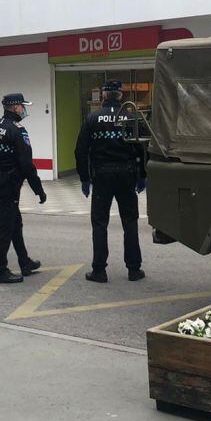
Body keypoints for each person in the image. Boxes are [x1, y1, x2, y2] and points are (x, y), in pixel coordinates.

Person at [75, 80, 147, 283]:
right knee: (130, 221)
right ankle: (134, 269)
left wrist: (84, 178)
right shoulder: (131, 116)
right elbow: (143, 147)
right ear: (120, 95)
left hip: (102, 175)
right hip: (127, 174)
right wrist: (142, 175)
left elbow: (80, 150)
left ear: (104, 96)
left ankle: (99, 270)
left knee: (99, 223)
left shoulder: (92, 118)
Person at [0, 93, 45, 284]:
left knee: (15, 222)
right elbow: (27, 164)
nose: (24, 110)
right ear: (15, 107)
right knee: (6, 226)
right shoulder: (18, 130)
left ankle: (24, 262)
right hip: (10, 183)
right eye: (22, 106)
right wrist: (39, 189)